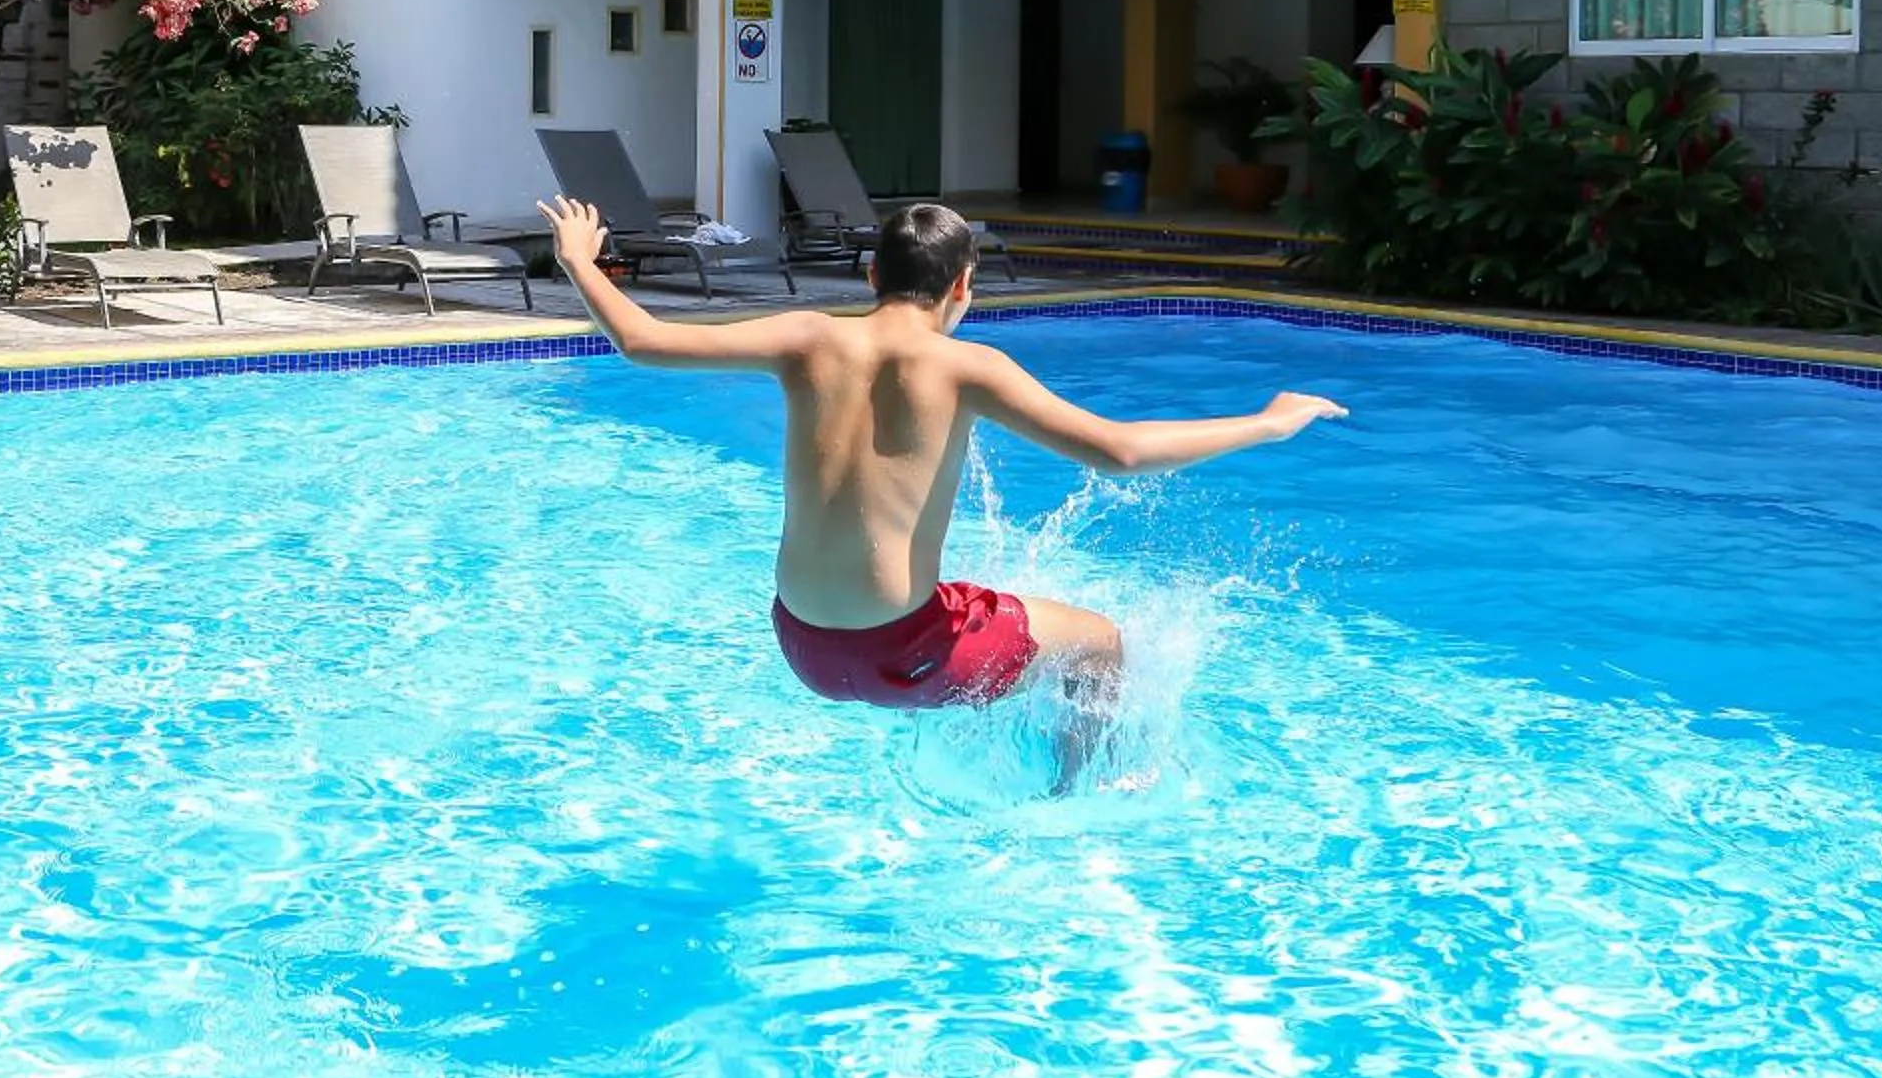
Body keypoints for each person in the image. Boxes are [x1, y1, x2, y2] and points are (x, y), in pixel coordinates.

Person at [538, 195, 1345, 720]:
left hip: (801, 645)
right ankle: (1075, 809)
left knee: (990, 604)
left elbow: (641, 340)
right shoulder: (965, 368)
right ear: (963, 287)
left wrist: (579, 257)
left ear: (869, 273)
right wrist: (1266, 423)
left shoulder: (807, 336)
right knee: (1100, 642)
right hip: (906, 656)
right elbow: (1120, 452)